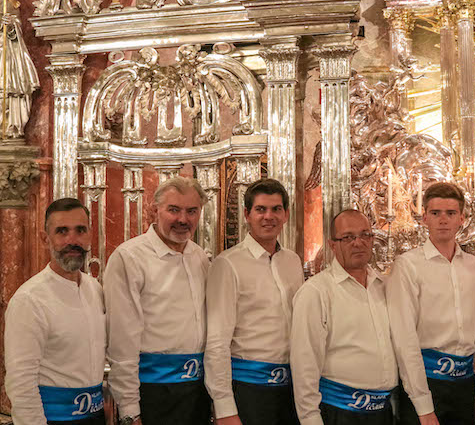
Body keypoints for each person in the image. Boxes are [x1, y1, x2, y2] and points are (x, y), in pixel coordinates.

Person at [386, 182, 475, 425]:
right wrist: (423, 406)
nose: (443, 220)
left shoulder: (473, 266)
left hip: (463, 384)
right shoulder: (408, 265)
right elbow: (404, 339)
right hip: (425, 384)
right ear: (424, 217)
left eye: (450, 213)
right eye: (435, 213)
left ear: (462, 218)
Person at [105, 177, 212, 425]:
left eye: (191, 211)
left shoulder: (198, 257)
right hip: (152, 393)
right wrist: (131, 411)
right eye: (173, 210)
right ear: (155, 210)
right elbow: (122, 340)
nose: (183, 219)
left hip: (197, 392)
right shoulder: (129, 258)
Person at [205, 179, 304, 425]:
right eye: (261, 209)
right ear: (247, 215)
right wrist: (225, 408)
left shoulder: (292, 261)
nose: (268, 216)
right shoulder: (227, 264)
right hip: (249, 390)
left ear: (286, 214)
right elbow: (217, 341)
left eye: (276, 209)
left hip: (291, 390)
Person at [290, 210, 398, 425]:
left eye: (365, 235)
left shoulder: (384, 287)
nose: (358, 243)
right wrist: (310, 419)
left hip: (383, 412)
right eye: (348, 237)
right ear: (332, 245)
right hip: (339, 413)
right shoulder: (316, 292)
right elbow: (305, 365)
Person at [4, 198, 105, 425]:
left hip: (95, 417)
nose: (73, 240)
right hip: (53, 420)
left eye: (80, 230)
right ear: (45, 239)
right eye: (62, 231)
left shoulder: (94, 289)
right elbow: (21, 382)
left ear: (90, 235)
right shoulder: (29, 300)